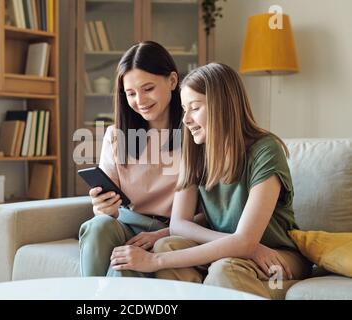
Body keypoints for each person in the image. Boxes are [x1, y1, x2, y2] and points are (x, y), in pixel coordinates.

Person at [108, 63, 312, 299]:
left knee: (224, 269)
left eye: (194, 108)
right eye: (184, 109)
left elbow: (245, 240)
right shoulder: (195, 151)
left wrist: (155, 261)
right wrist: (245, 246)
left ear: (222, 107)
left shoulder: (265, 150)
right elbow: (179, 224)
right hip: (238, 250)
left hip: (277, 255)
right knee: (168, 244)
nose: (185, 119)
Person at [78, 41, 182, 278]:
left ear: (173, 81)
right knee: (98, 226)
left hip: (172, 231)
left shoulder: (194, 133)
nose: (140, 100)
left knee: (123, 267)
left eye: (148, 88)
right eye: (131, 93)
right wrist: (103, 208)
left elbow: (209, 211)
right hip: (127, 223)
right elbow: (109, 211)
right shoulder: (116, 136)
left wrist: (160, 235)